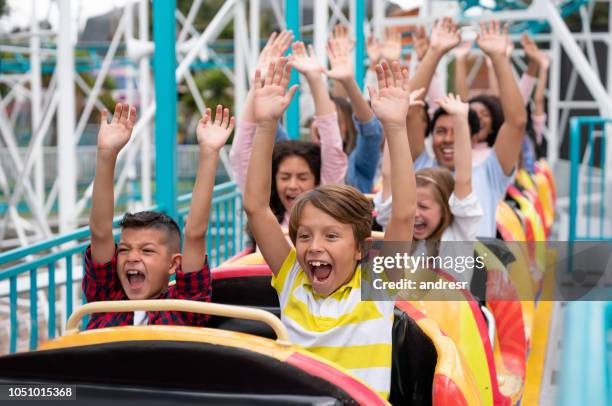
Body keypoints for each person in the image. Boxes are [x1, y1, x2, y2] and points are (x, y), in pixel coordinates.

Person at [243, 59, 416, 399]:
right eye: (304, 236)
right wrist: (265, 125)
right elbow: (256, 208)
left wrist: (395, 127)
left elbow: (404, 213)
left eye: (331, 235)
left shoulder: (376, 283)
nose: (314, 246)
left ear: (361, 249)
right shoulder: (293, 278)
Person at [84, 103, 234, 329]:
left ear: (174, 264)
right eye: (124, 249)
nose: (132, 257)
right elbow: (100, 232)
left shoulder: (183, 309)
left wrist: (209, 153)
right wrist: (107, 154)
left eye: (147, 250)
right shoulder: (107, 300)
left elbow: (194, 233)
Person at [408, 19, 526, 238]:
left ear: (472, 138)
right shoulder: (421, 165)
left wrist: (499, 58)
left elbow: (516, 122)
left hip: (473, 270)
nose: (448, 139)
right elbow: (410, 110)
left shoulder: (490, 171)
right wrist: (434, 52)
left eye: (457, 131)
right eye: (441, 131)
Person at [230, 32, 347, 228]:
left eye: (302, 177)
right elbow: (240, 155)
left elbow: (333, 149)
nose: (292, 185)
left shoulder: (327, 210)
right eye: (284, 177)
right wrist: (256, 85)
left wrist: (315, 80)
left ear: (317, 181)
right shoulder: (267, 214)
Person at [327, 24, 384, 193]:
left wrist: (347, 80)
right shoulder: (307, 162)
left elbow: (370, 130)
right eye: (322, 121)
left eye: (334, 122)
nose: (325, 126)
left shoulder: (357, 162)